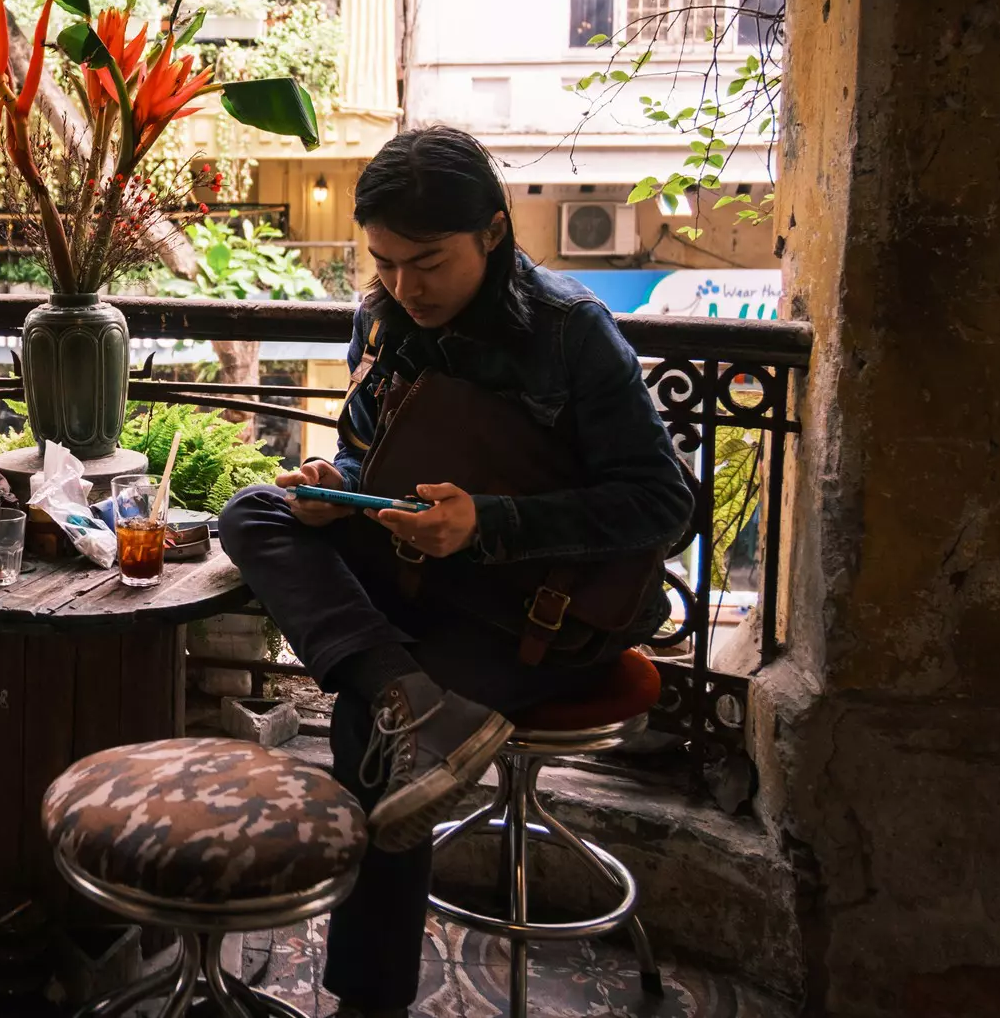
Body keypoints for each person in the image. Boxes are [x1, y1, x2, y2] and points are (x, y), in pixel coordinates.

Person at [218, 126, 692, 1017]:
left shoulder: (569, 334)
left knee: (369, 730)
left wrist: (490, 522)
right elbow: (372, 461)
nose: (405, 285)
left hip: (545, 617)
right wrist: (338, 488)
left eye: (427, 261)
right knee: (253, 511)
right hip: (421, 578)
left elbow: (664, 505)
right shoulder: (382, 317)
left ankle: (371, 1000)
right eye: (386, 262)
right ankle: (411, 692)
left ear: (493, 233)